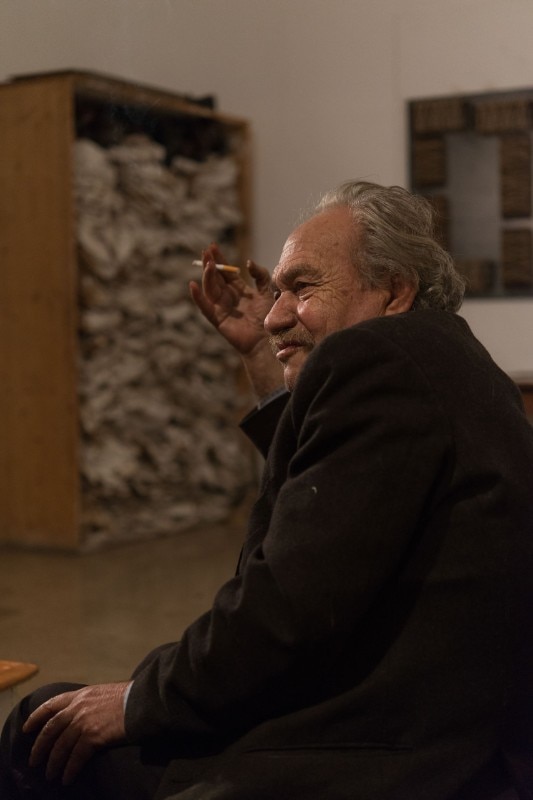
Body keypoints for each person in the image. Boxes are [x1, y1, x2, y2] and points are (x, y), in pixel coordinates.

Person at [1, 180, 533, 800]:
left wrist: (140, 698)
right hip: (439, 732)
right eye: (276, 291)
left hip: (383, 755)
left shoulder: (379, 359)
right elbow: (335, 501)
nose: (276, 312)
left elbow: (283, 608)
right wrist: (264, 353)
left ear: (393, 291)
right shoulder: (446, 365)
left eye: (302, 288)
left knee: (37, 729)